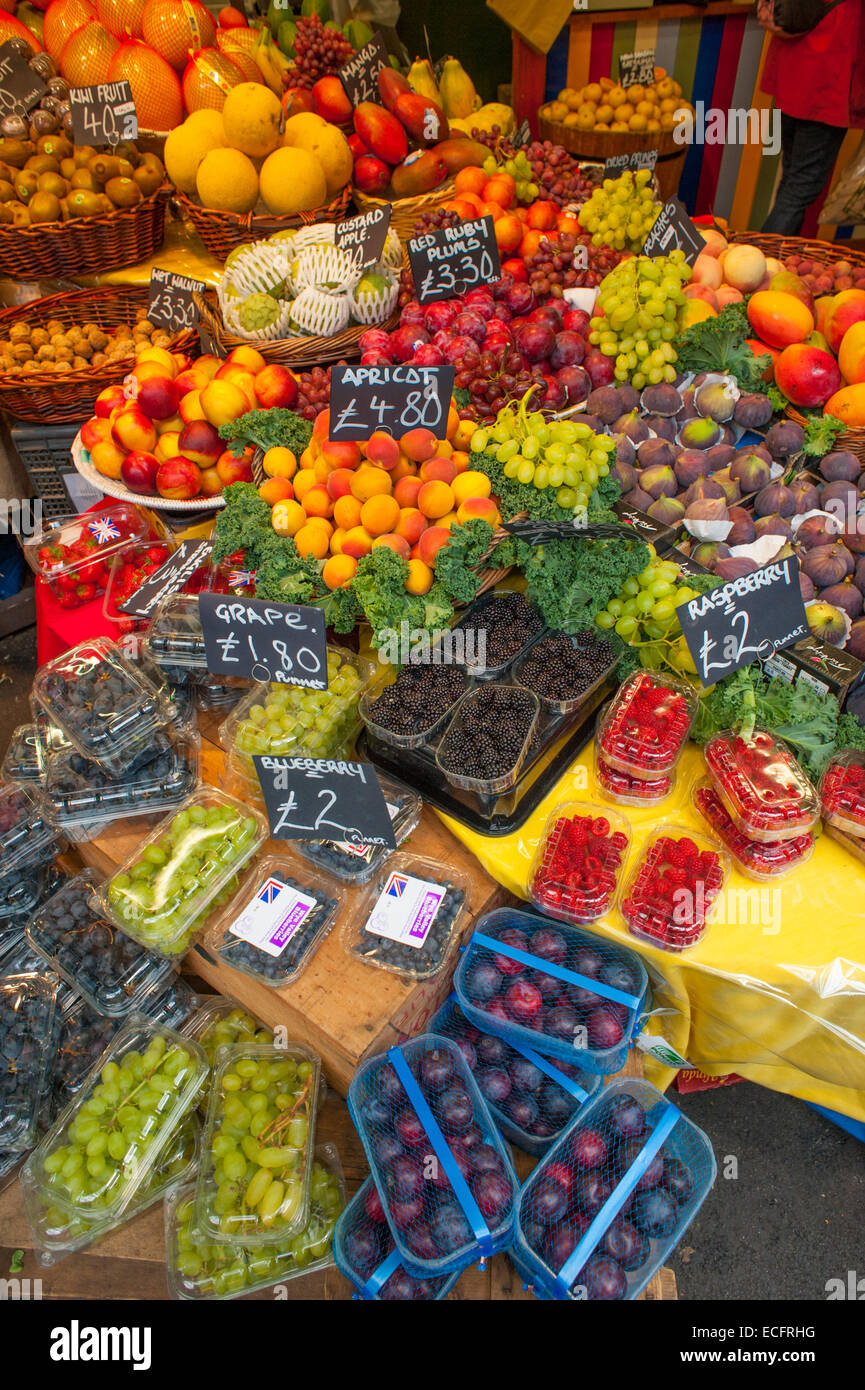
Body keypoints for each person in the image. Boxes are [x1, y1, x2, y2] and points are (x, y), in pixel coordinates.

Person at [758, 0, 865, 234]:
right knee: (799, 189)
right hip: (828, 72)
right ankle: (761, 261)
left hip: (795, 64)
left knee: (792, 180)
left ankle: (775, 260)